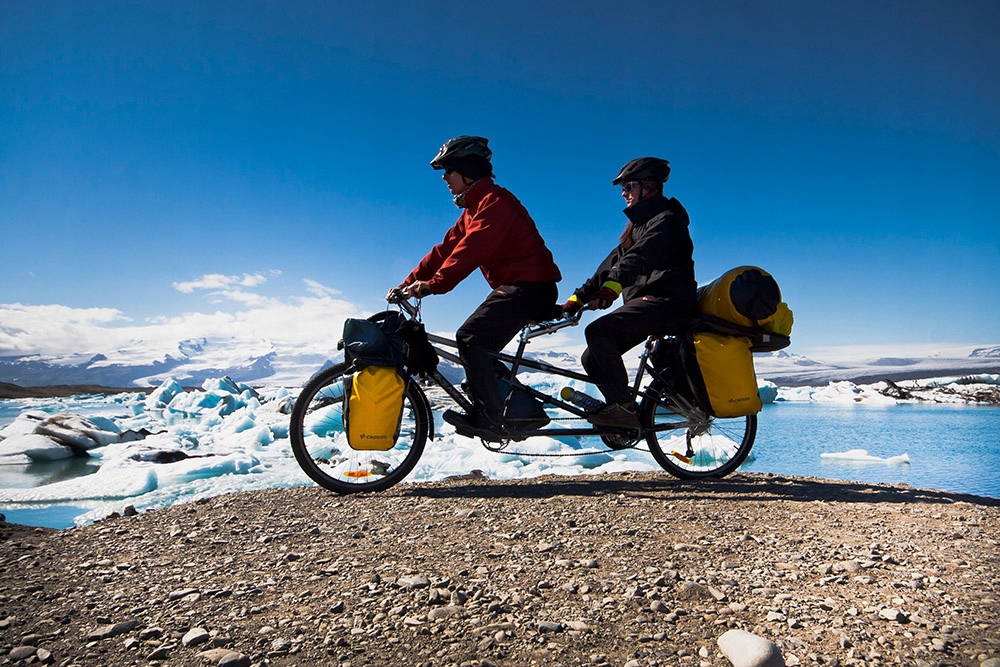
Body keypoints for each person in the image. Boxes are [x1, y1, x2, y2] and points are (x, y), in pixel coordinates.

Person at [392, 135, 561, 439]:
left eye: (448, 171)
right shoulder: (472, 210)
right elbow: (443, 250)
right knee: (480, 349)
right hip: (518, 287)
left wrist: (433, 285)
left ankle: (491, 417)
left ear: (467, 171)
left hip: (531, 287)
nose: (444, 178)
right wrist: (406, 284)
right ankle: (522, 412)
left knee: (470, 337)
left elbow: (472, 248)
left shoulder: (496, 203)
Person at [561, 157, 697, 430]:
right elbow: (610, 265)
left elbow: (638, 259)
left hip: (669, 302)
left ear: (649, 186)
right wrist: (575, 300)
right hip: (650, 302)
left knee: (600, 332)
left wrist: (611, 290)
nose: (624, 193)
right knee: (591, 357)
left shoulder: (667, 222)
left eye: (628, 187)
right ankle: (621, 411)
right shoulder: (638, 226)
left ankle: (623, 409)